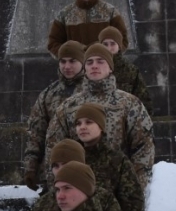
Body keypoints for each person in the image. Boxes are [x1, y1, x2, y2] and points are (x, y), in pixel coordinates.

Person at [48, 44, 157, 187]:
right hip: (77, 189)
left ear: (110, 67)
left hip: (119, 185)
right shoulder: (68, 107)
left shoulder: (129, 103)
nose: (94, 66)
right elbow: (54, 148)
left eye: (100, 61)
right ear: (84, 67)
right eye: (89, 62)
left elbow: (143, 147)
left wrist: (134, 185)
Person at [67, 103, 144, 211]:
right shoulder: (70, 159)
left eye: (89, 122)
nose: (82, 127)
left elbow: (133, 204)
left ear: (101, 126)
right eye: (78, 123)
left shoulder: (117, 161)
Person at [22, 40, 86, 190]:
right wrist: (31, 167)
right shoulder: (48, 95)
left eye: (72, 61)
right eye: (62, 61)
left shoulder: (93, 91)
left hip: (86, 168)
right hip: (54, 172)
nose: (67, 66)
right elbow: (36, 133)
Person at [46, 0, 130, 57]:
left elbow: (123, 39)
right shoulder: (64, 15)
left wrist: (110, 58)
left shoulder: (111, 12)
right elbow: (53, 43)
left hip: (105, 68)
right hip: (76, 69)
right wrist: (69, 57)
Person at [98, 25, 151, 111]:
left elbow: (143, 100)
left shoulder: (130, 70)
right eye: (105, 44)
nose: (108, 48)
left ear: (119, 46)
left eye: (112, 44)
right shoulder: (93, 68)